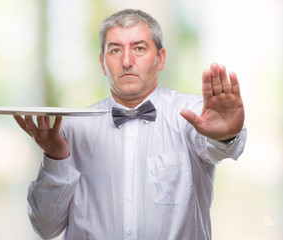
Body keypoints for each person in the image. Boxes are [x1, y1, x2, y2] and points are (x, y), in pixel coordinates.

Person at [14, 9, 246, 240]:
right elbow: (45, 228)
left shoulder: (190, 116)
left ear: (161, 58)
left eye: (139, 48)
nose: (126, 61)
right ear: (103, 63)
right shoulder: (73, 128)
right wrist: (55, 157)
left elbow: (218, 146)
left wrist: (226, 135)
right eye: (115, 50)